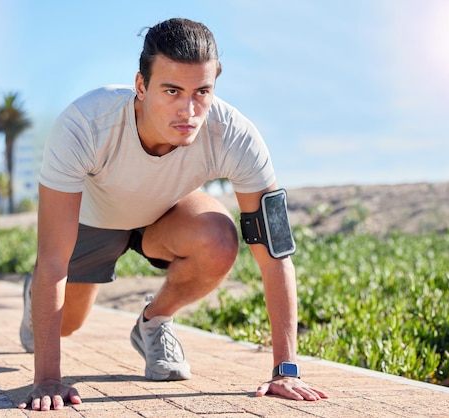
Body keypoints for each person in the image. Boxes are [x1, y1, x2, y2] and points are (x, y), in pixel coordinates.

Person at [18, 17, 328, 411]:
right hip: (95, 222)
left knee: (218, 239)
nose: (189, 109)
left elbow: (276, 253)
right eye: (171, 90)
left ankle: (153, 322)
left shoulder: (234, 135)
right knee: (68, 325)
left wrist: (286, 370)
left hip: (163, 217)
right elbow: (53, 258)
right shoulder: (85, 125)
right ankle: (34, 298)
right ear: (141, 86)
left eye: (202, 91)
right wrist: (47, 379)